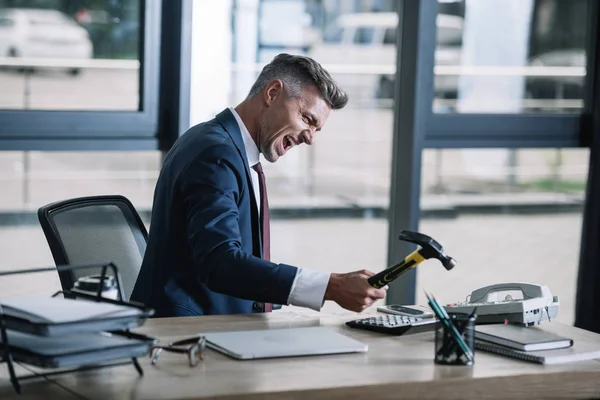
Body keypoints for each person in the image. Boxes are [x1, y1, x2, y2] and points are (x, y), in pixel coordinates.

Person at [131, 53, 387, 317]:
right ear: (273, 93)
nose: (309, 138)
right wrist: (330, 287)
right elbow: (219, 262)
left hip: (221, 324)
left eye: (316, 129)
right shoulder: (216, 154)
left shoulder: (226, 146)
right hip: (186, 335)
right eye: (307, 119)